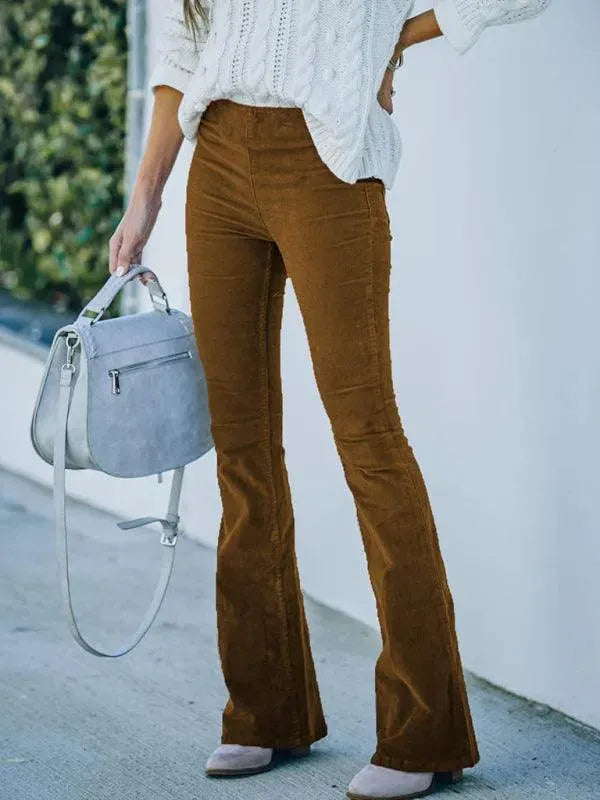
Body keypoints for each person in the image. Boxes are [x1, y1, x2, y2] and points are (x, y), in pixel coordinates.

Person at [109, 1, 552, 797]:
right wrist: (146, 196)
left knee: (369, 441)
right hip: (218, 164)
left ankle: (425, 736)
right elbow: (184, 45)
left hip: (328, 161)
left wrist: (395, 34)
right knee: (241, 450)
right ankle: (263, 712)